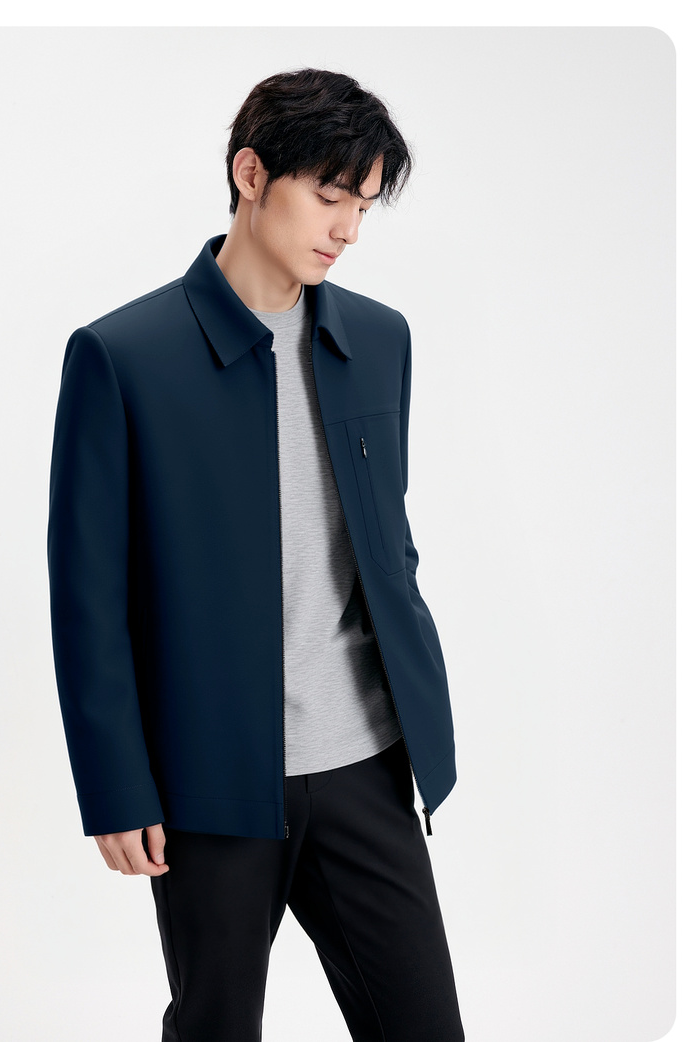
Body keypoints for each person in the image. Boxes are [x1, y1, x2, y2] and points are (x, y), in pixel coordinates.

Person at [47, 67, 465, 1042]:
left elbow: (386, 541)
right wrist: (114, 782)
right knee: (216, 1026)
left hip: (365, 761)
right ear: (250, 174)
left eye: (364, 205)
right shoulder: (123, 355)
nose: (347, 229)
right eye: (329, 195)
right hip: (211, 779)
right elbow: (87, 597)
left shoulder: (380, 339)